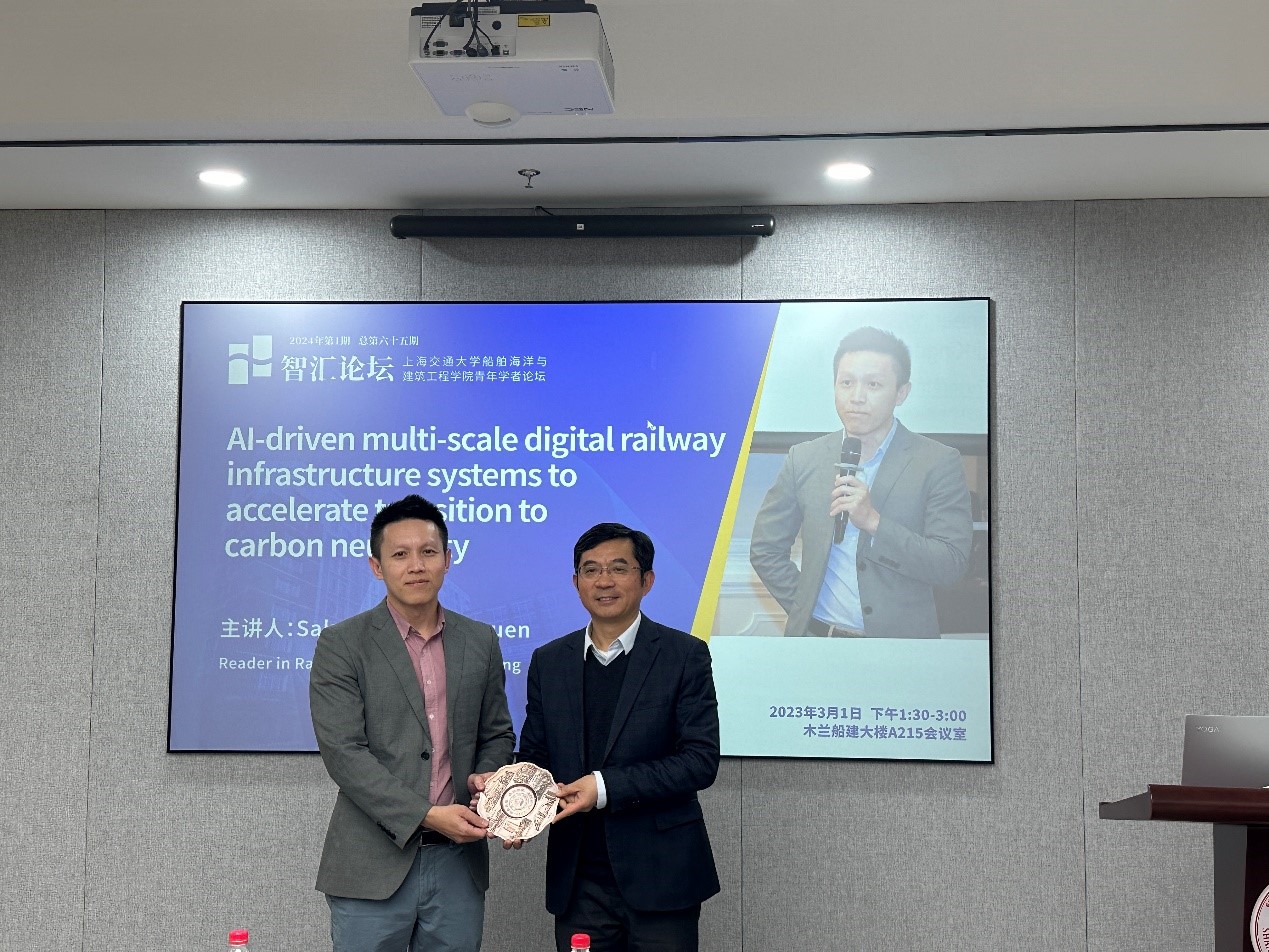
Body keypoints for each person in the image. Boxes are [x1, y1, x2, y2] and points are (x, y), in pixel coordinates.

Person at [309, 494, 515, 952]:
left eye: (428, 552)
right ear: (376, 567)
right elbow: (344, 753)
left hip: (458, 864)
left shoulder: (480, 640)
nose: (416, 566)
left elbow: (497, 733)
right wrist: (425, 815)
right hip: (371, 863)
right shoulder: (342, 644)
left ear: (448, 559)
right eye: (400, 554)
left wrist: (487, 779)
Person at [517, 523, 721, 952]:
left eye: (618, 568)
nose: (603, 581)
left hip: (662, 876)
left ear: (647, 580)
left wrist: (603, 787)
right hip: (579, 882)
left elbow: (699, 761)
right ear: (576, 582)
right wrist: (515, 804)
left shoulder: (684, 655)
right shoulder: (549, 661)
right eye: (590, 570)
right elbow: (536, 756)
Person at [750, 326, 973, 638]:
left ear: (901, 393)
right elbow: (765, 549)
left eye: (873, 384)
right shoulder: (804, 458)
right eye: (846, 382)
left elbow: (950, 565)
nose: (856, 397)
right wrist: (806, 608)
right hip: (816, 642)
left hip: (901, 649)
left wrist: (874, 522)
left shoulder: (937, 462)